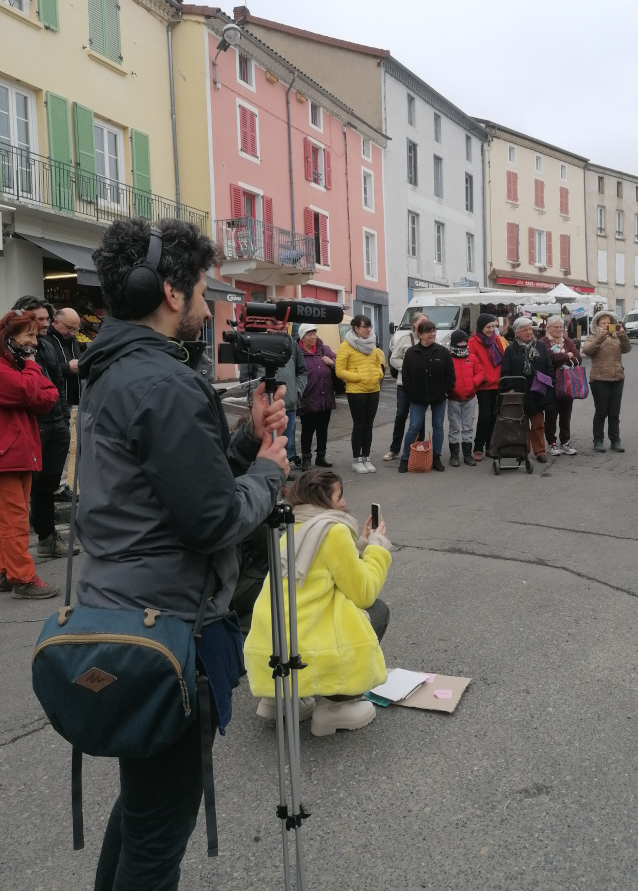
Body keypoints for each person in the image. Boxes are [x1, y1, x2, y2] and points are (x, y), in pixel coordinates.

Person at [76, 218, 290, 890]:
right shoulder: (162, 383)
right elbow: (211, 519)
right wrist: (270, 473)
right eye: (200, 289)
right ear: (170, 291)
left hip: (122, 620)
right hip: (169, 633)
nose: (205, 305)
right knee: (158, 834)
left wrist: (241, 446)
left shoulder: (116, 370)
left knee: (142, 813)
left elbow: (165, 489)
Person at [245, 469, 391, 736]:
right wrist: (377, 548)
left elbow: (324, 569)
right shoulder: (332, 531)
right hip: (306, 649)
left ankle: (281, 699)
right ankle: (335, 706)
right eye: (339, 496)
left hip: (272, 644)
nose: (345, 503)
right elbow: (363, 591)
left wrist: (360, 544)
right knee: (377, 611)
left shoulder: (292, 525)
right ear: (324, 499)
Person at [0, 309, 61, 599]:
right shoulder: (10, 368)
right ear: (9, 338)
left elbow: (47, 397)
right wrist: (32, 368)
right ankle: (23, 579)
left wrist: (29, 375)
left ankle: (5, 571)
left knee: (11, 518)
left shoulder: (15, 367)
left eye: (36, 336)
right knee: (15, 520)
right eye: (28, 335)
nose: (33, 343)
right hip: (8, 455)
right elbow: (28, 392)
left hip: (16, 453)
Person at [12, 295, 75, 558]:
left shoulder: (47, 345)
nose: (46, 324)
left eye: (48, 318)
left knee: (48, 484)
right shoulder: (12, 348)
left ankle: (47, 539)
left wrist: (61, 418)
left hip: (56, 422)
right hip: (33, 424)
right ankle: (15, 555)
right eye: (40, 319)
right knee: (27, 487)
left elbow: (57, 383)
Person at [240, 300, 307, 478]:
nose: (279, 324)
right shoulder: (255, 342)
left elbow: (302, 371)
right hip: (265, 408)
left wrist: (297, 390)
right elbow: (246, 376)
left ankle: (283, 474)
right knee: (264, 442)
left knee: (285, 442)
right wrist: (257, 396)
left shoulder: (292, 344)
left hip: (289, 405)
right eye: (274, 320)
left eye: (281, 320)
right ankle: (265, 475)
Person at [399, 319, 456, 473]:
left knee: (438, 427)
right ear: (420, 334)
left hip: (439, 397)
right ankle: (405, 458)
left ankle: (436, 458)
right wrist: (410, 393)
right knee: (414, 427)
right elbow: (406, 376)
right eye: (428, 331)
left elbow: (450, 375)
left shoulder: (442, 352)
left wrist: (445, 391)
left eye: (433, 331)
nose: (432, 334)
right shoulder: (411, 352)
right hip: (417, 397)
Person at [500, 316, 555, 463]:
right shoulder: (511, 350)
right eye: (525, 330)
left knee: (538, 424)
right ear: (517, 332)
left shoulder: (541, 346)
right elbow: (505, 373)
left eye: (530, 329)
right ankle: (523, 450)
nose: (529, 332)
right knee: (521, 425)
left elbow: (549, 367)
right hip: (520, 394)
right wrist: (511, 389)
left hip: (538, 392)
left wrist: (550, 383)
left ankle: (540, 451)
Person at [335, 315, 386, 474]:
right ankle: (356, 459)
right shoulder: (346, 345)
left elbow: (378, 364)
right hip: (356, 391)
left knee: (369, 425)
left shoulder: (372, 343)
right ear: (356, 328)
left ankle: (366, 457)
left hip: (373, 390)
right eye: (365, 327)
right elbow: (339, 371)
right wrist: (358, 377)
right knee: (359, 425)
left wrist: (378, 374)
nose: (369, 329)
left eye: (370, 326)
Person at [46, 307, 82, 499]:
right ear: (56, 322)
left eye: (76, 329)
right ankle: (56, 486)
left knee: (66, 442)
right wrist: (67, 368)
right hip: (53, 400)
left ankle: (60, 484)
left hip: (70, 398)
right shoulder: (46, 340)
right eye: (70, 328)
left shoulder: (70, 338)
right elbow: (46, 370)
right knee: (59, 443)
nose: (73, 332)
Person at [583, 309, 631, 452]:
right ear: (597, 325)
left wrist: (623, 336)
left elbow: (627, 349)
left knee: (614, 412)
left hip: (617, 378)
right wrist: (600, 338)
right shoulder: (592, 337)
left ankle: (615, 441)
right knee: (601, 411)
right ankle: (598, 441)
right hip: (599, 379)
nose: (606, 325)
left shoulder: (616, 337)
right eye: (603, 323)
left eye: (608, 323)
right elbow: (587, 351)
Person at [383, 312, 427, 461]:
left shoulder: (429, 339)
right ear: (414, 324)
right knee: (401, 415)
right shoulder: (404, 339)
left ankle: (420, 447)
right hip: (404, 384)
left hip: (421, 385)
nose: (425, 324)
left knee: (419, 418)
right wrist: (409, 367)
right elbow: (393, 359)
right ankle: (394, 449)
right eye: (422, 321)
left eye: (427, 321)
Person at [469, 313, 509, 461]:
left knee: (494, 416)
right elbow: (473, 363)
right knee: (485, 416)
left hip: (498, 383)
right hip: (484, 384)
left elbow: (503, 359)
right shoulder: (472, 342)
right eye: (488, 327)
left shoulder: (497, 340)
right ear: (481, 327)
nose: (491, 330)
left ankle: (490, 446)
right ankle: (478, 446)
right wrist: (483, 377)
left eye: (493, 326)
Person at [297, 322, 336, 471]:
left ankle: (321, 456)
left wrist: (331, 362)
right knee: (307, 429)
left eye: (314, 333)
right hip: (308, 396)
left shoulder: (324, 349)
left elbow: (339, 363)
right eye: (309, 334)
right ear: (302, 336)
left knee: (323, 428)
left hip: (325, 395)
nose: (313, 337)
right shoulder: (298, 352)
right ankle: (306, 458)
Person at [543, 314, 582, 456]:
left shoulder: (567, 341)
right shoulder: (543, 342)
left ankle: (565, 442)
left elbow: (579, 359)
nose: (559, 329)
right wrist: (567, 356)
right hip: (551, 384)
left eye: (561, 327)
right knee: (551, 416)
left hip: (567, 383)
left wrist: (566, 358)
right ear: (548, 328)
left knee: (566, 415)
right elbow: (551, 358)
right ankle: (552, 443)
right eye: (556, 327)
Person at [447, 328, 484, 466]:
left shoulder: (472, 357)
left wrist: (473, 384)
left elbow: (480, 373)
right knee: (454, 427)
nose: (463, 344)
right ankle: (454, 456)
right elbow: (445, 375)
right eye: (460, 341)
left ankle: (467, 455)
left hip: (470, 397)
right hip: (453, 397)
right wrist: (450, 388)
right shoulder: (448, 357)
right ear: (454, 342)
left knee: (468, 427)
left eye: (464, 341)